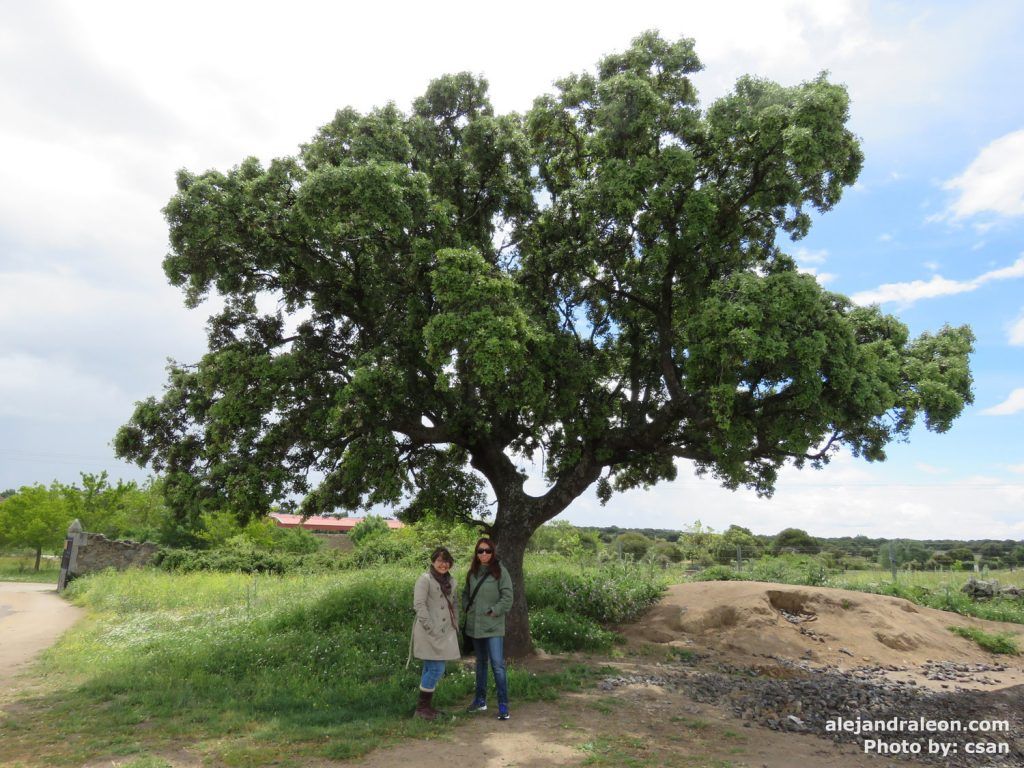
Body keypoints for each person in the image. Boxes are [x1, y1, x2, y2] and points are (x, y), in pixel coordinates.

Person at [462, 537, 514, 720]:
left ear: (493, 553)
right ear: (476, 553)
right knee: (481, 665)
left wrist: (495, 610)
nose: (484, 554)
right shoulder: (472, 573)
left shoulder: (500, 572)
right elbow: (465, 594)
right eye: (480, 551)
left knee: (498, 666)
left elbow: (508, 597)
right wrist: (467, 608)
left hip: (493, 627)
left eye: (487, 551)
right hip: (475, 627)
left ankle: (503, 705)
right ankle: (480, 701)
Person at [411, 546, 460, 720]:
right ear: (433, 561)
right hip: (428, 632)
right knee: (436, 668)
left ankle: (423, 708)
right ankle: (422, 708)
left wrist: (456, 623)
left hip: (446, 631)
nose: (443, 564)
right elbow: (419, 605)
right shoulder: (425, 579)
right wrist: (430, 626)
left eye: (446, 561)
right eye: (439, 560)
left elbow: (454, 603)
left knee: (430, 667)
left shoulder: (451, 581)